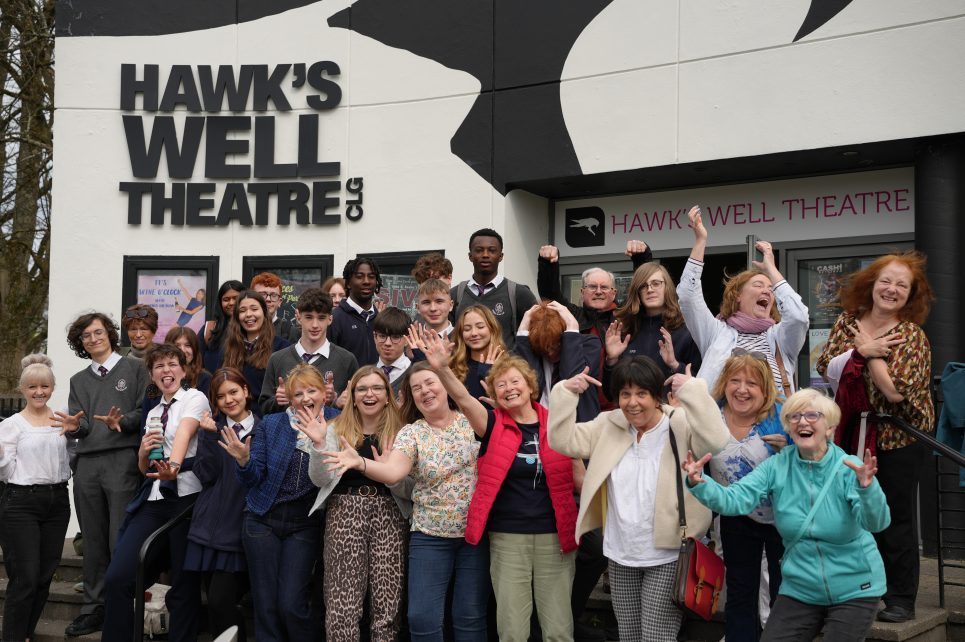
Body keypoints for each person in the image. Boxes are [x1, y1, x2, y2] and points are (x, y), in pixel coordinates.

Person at [683, 389, 891, 641]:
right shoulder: (776, 466)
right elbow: (734, 499)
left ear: (829, 428)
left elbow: (876, 523)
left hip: (855, 586)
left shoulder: (849, 469)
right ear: (789, 428)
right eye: (794, 417)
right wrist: (699, 482)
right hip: (800, 588)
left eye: (813, 415)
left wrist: (868, 489)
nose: (803, 421)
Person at [548, 357, 729, 642]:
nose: (633, 402)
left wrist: (693, 389)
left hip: (668, 553)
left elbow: (717, 440)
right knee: (629, 637)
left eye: (642, 393)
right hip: (621, 552)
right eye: (625, 394)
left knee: (656, 637)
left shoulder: (677, 422)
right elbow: (562, 440)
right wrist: (565, 393)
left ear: (656, 396)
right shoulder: (609, 423)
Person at [418, 329, 579, 642]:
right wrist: (441, 367)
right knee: (512, 631)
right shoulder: (492, 424)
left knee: (559, 630)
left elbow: (581, 479)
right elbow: (463, 399)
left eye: (515, 381)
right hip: (508, 539)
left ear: (530, 385)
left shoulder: (559, 422)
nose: (508, 389)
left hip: (555, 537)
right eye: (500, 384)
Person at [322, 360, 488, 641]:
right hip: (429, 535)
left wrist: (444, 368)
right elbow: (393, 472)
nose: (425, 391)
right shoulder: (412, 432)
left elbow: (479, 416)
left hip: (474, 536)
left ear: (445, 387)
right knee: (421, 617)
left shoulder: (470, 420)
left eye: (430, 383)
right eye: (416, 388)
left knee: (469, 616)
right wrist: (360, 462)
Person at [816, 252, 935, 623]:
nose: (892, 289)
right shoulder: (846, 321)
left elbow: (894, 391)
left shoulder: (911, 336)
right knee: (854, 511)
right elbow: (825, 366)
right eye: (886, 280)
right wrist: (863, 348)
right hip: (854, 431)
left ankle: (901, 598)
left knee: (895, 517)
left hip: (898, 438)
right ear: (871, 284)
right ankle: (860, 589)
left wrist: (865, 354)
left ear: (910, 295)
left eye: (902, 285)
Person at [224, 365, 339, 641]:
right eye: (297, 393)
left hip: (304, 524)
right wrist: (243, 460)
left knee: (291, 604)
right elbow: (253, 477)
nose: (305, 398)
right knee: (266, 604)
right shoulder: (273, 423)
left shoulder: (339, 422)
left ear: (324, 393)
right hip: (262, 519)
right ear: (289, 398)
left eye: (312, 390)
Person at [102, 343, 208, 642]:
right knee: (119, 577)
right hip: (153, 497)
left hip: (186, 497)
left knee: (184, 584)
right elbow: (144, 466)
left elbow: (186, 432)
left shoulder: (194, 398)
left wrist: (173, 465)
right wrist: (142, 454)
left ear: (183, 370)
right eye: (159, 366)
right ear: (151, 374)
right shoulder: (154, 412)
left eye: (172, 364)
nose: (166, 371)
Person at [57, 312, 149, 638]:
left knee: (117, 539)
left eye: (98, 332)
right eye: (86, 336)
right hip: (87, 465)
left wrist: (121, 422)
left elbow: (145, 410)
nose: (93, 339)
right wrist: (73, 426)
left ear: (109, 334)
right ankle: (92, 608)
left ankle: (119, 607)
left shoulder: (136, 368)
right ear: (81, 343)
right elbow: (81, 422)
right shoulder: (78, 381)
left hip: (123, 459)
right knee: (93, 541)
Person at [305, 366, 412, 641]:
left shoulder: (404, 433)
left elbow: (412, 489)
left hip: (390, 514)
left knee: (387, 605)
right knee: (342, 604)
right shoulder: (334, 429)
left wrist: (389, 474)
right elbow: (319, 479)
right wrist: (318, 446)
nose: (369, 394)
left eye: (377, 388)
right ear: (352, 397)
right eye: (361, 389)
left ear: (388, 396)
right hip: (344, 511)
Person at [677, 206, 808, 398]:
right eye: (758, 285)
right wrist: (700, 241)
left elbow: (798, 316)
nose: (767, 291)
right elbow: (688, 297)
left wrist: (771, 269)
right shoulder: (715, 332)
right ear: (737, 295)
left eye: (771, 289)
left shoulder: (781, 337)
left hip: (773, 427)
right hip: (722, 426)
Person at [708, 351, 789, 642]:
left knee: (782, 593)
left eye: (752, 383)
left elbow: (816, 454)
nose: (742, 389)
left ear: (764, 388)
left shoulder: (782, 415)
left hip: (782, 520)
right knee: (740, 592)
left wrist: (790, 448)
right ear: (724, 383)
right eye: (735, 381)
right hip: (735, 517)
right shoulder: (710, 416)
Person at [0, 355, 72, 642]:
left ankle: (24, 634)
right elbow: (5, 471)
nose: (38, 392)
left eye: (44, 386)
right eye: (32, 387)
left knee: (44, 579)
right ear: (23, 389)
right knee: (26, 579)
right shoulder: (12, 425)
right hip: (20, 503)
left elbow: (72, 458)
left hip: (57, 502)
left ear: (52, 387)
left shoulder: (62, 421)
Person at [186, 367, 260, 642]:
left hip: (238, 528)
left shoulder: (263, 428)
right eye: (220, 397)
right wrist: (206, 436)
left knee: (221, 601)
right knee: (216, 608)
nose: (229, 400)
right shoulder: (213, 430)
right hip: (207, 528)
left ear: (246, 391)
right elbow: (205, 474)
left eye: (233, 392)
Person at [259, 287, 358, 415]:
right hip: (287, 433)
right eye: (309, 317)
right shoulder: (277, 359)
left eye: (321, 318)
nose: (315, 325)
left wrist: (335, 402)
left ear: (330, 319)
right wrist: (278, 401)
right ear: (298, 317)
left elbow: (358, 411)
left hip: (330, 433)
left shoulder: (346, 360)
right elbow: (263, 408)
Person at [536, 240, 652, 338]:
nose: (598, 291)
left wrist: (641, 258)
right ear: (582, 292)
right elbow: (550, 297)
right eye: (592, 286)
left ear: (614, 293)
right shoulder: (573, 316)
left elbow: (642, 289)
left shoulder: (626, 316)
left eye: (605, 287)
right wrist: (548, 263)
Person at [606, 262, 701, 381]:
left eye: (656, 284)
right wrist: (612, 360)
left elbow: (701, 385)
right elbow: (611, 393)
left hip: (670, 400)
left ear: (667, 287)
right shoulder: (625, 329)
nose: (649, 289)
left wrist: (674, 365)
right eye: (643, 286)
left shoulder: (688, 330)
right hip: (632, 400)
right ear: (637, 292)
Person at [451, 228, 538, 350]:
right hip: (464, 367)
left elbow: (536, 336)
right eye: (479, 250)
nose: (485, 255)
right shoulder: (455, 294)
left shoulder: (519, 293)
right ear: (470, 256)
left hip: (505, 367)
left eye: (492, 250)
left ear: (501, 256)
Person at [515, 301, 602, 419]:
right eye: (545, 349)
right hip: (542, 425)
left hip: (577, 425)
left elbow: (571, 376)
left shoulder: (589, 344)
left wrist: (572, 327)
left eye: (555, 346)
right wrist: (522, 333)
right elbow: (533, 386)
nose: (550, 353)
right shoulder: (531, 349)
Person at [218, 290, 290, 397]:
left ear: (264, 313)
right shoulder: (228, 349)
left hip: (267, 412)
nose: (248, 314)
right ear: (237, 317)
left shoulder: (282, 348)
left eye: (254, 309)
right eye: (242, 310)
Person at [142, 326, 213, 430]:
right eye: (177, 345)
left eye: (188, 345)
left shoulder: (204, 380)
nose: (182, 350)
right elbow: (145, 425)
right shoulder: (155, 383)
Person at [329, 257, 383, 366]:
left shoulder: (381, 319)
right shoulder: (334, 319)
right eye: (359, 277)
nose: (366, 281)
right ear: (348, 283)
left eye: (371, 277)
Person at [449, 304, 506, 402]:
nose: (474, 333)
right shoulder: (454, 367)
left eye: (480, 327)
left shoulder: (508, 364)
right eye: (467, 329)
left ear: (492, 329)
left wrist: (489, 373)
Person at [201, 279, 245, 373]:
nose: (231, 303)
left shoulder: (252, 329)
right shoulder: (210, 328)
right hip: (211, 385)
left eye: (236, 298)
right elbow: (196, 363)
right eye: (226, 299)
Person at [374, 306, 415, 395]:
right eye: (382, 336)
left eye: (395, 337)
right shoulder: (366, 375)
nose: (387, 343)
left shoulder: (416, 375)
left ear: (407, 340)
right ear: (375, 337)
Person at [251, 271, 301, 343]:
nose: (268, 299)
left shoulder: (290, 332)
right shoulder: (239, 330)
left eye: (274, 295)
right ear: (251, 298)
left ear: (280, 302)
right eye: (262, 295)